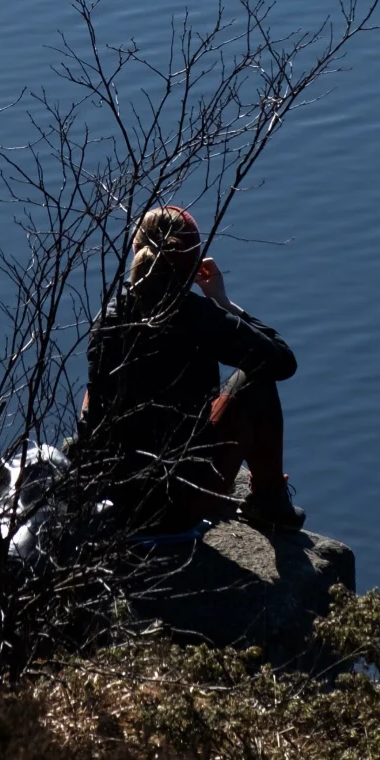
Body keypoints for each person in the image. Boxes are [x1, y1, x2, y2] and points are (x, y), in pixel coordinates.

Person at [82, 205, 304, 534]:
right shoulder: (198, 317)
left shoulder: (109, 316)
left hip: (114, 499)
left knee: (99, 387)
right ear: (192, 265)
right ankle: (269, 503)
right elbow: (283, 361)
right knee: (254, 378)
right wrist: (223, 303)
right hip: (176, 507)